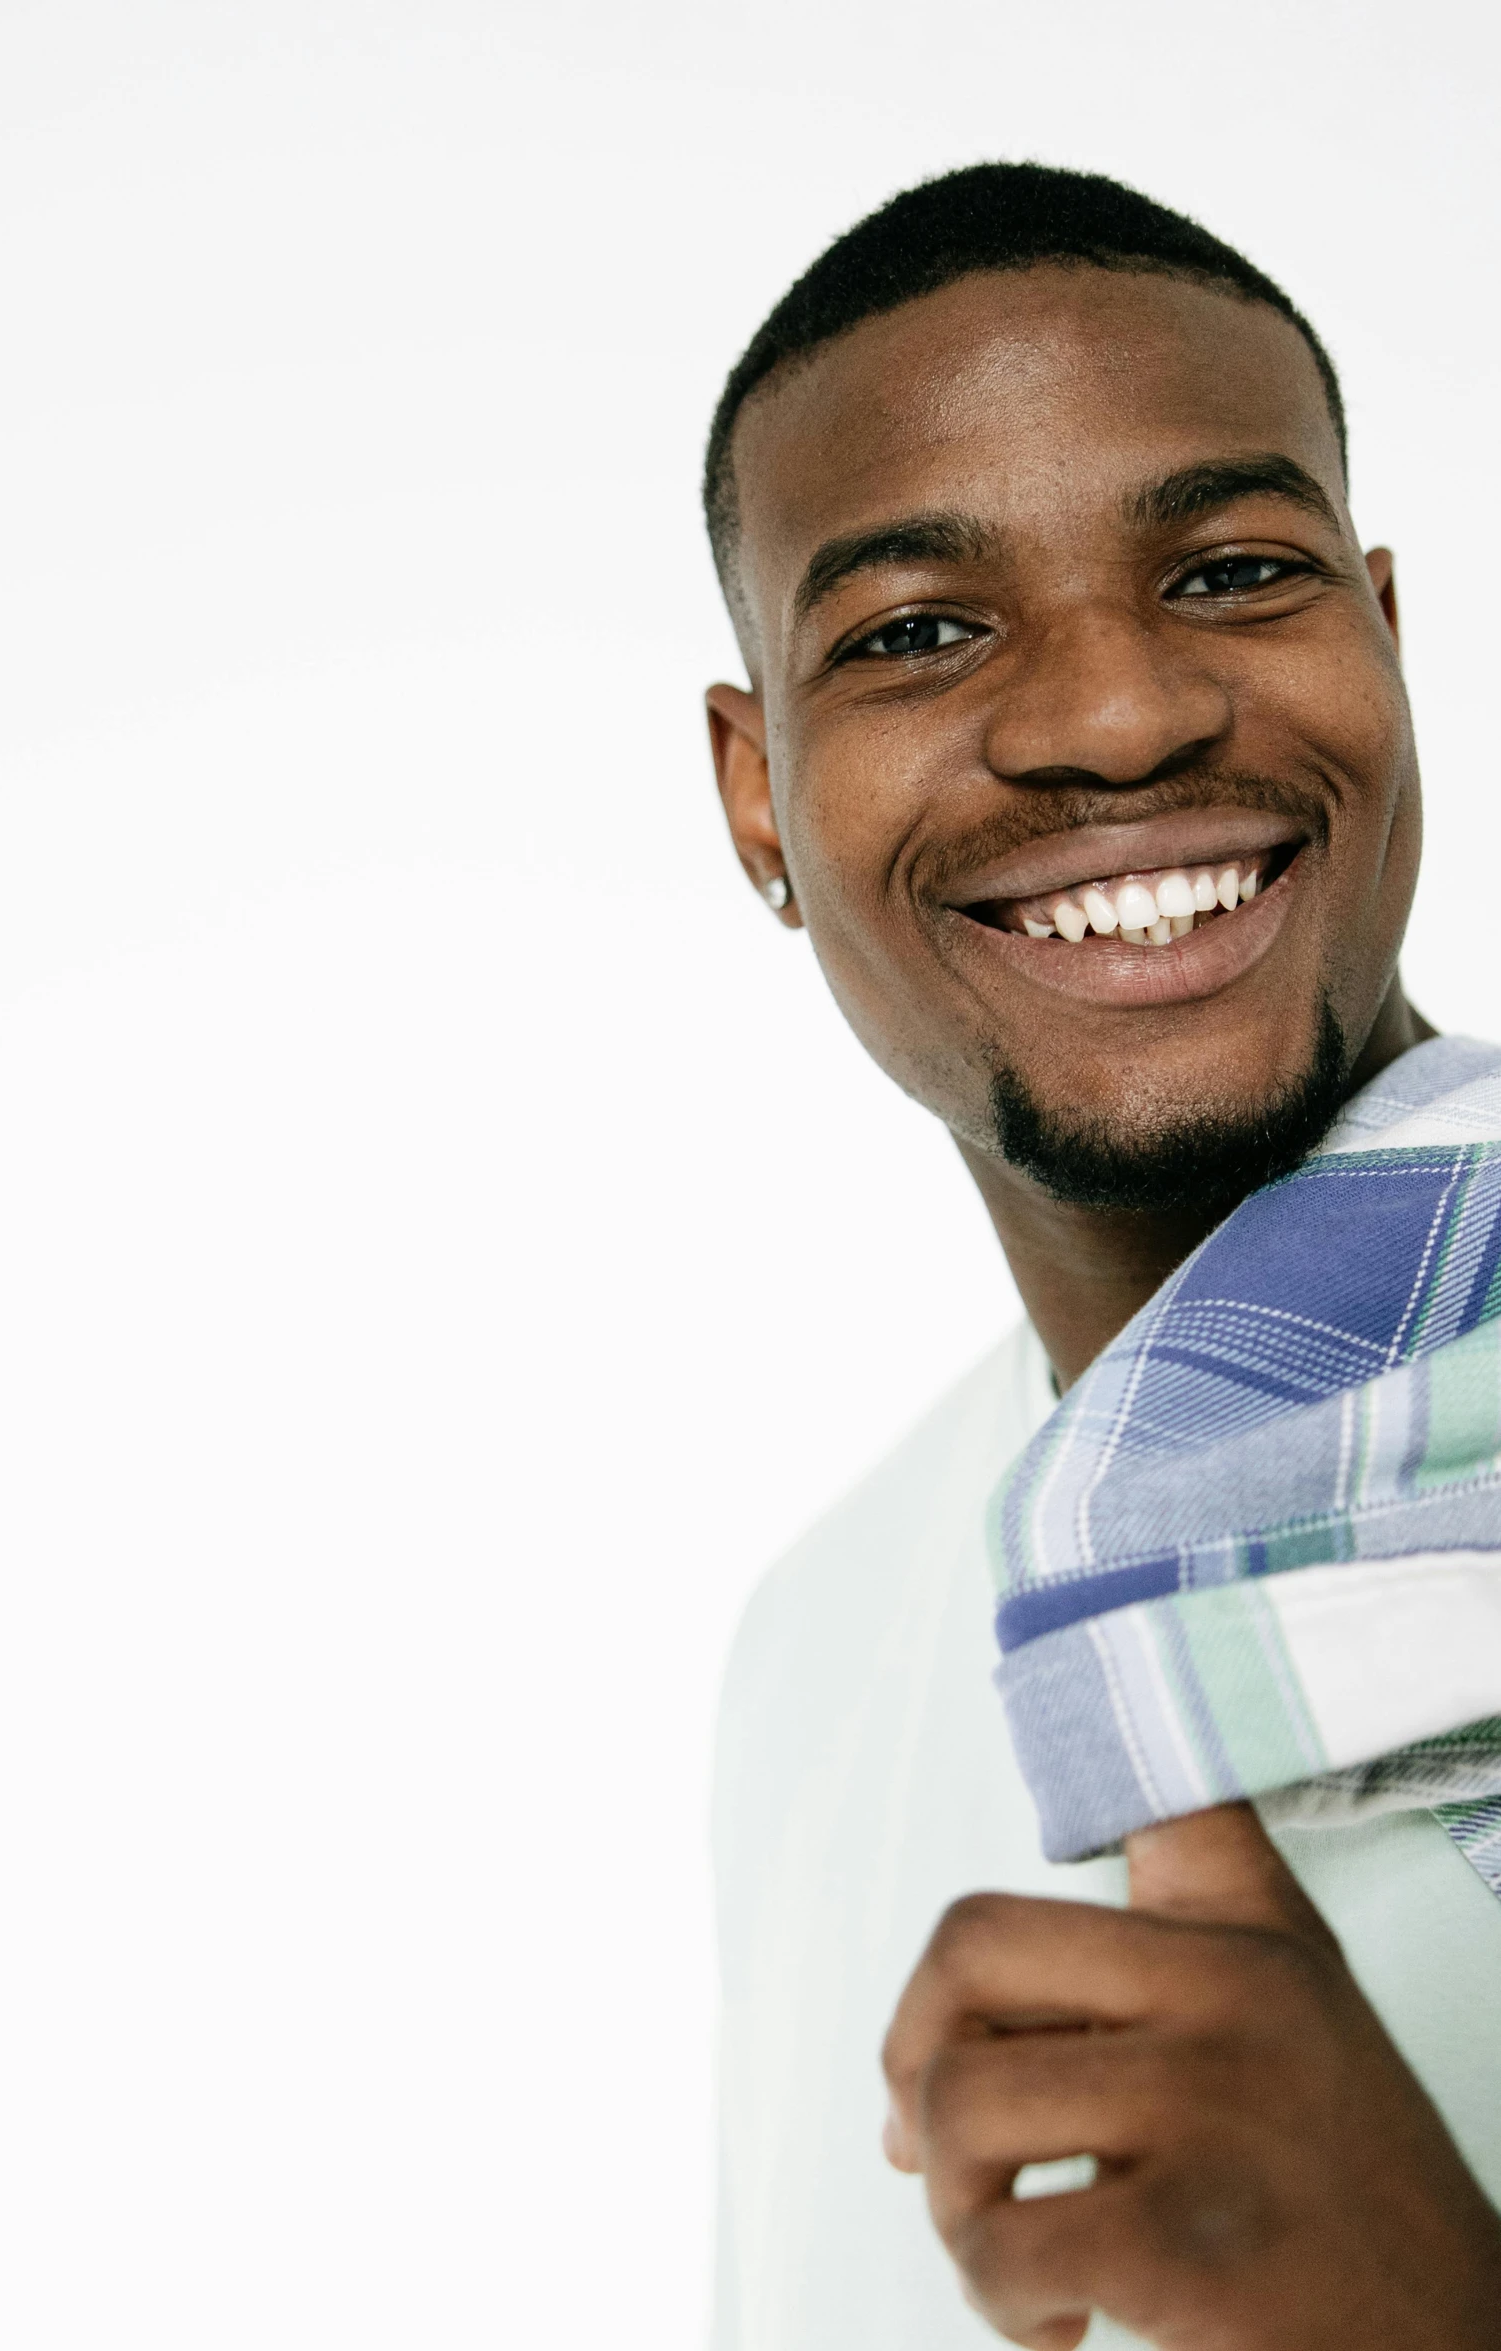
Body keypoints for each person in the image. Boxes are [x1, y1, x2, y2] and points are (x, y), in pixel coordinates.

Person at [702, 164, 1501, 2351]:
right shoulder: (812, 1653)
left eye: (1237, 572)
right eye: (918, 632)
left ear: (1386, 642)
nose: (1121, 715)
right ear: (758, 796)